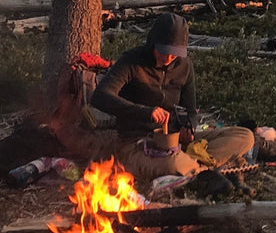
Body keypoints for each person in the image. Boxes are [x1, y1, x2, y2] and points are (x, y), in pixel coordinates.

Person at [89, 13, 254, 186]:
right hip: (136, 144)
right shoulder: (131, 61)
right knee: (173, 163)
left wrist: (188, 127)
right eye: (163, 51)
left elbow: (191, 110)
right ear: (152, 42)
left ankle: (192, 167)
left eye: (174, 54)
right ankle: (193, 169)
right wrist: (145, 113)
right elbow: (100, 97)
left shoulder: (185, 66)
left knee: (245, 136)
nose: (167, 58)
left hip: (175, 142)